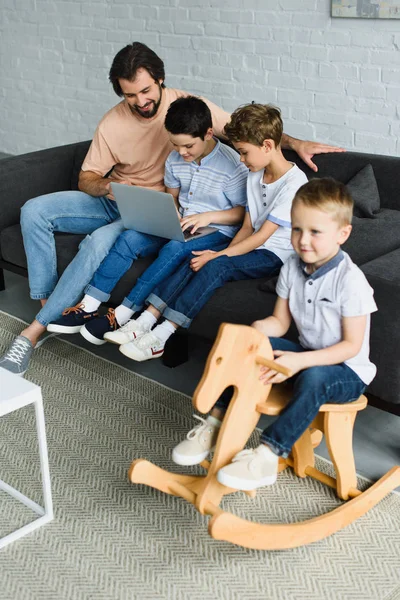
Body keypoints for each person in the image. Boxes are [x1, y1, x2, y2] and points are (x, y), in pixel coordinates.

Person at [0, 41, 343, 376]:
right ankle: (50, 306)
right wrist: (109, 187)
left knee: (102, 242)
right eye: (129, 95)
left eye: (146, 91)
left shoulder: (194, 112)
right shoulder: (114, 124)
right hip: (124, 199)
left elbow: (250, 134)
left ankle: (45, 328)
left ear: (160, 80)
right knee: (33, 210)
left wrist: (295, 143)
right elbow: (88, 178)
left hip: (166, 213)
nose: (140, 101)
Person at [172, 178, 377, 492]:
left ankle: (269, 454)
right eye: (296, 229)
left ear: (342, 234)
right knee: (250, 349)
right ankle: (214, 426)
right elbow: (279, 323)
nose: (303, 240)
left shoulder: (350, 281)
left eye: (315, 232)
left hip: (346, 372)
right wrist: (255, 335)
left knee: (314, 379)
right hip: (304, 357)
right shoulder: (292, 267)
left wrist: (299, 361)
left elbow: (350, 347)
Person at [46, 96, 248, 345]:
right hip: (182, 224)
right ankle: (89, 304)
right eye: (175, 145)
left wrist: (208, 216)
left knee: (175, 248)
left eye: (188, 146)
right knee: (129, 238)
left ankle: (122, 314)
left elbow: (243, 213)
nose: (181, 152)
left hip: (217, 230)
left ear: (208, 133)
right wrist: (170, 213)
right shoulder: (175, 159)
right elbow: (172, 197)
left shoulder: (232, 165)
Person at [116, 103, 308, 362]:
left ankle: (162, 335)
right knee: (195, 255)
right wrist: (213, 253)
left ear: (267, 146)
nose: (241, 159)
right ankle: (146, 319)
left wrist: (218, 257)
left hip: (276, 253)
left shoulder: (295, 184)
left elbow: (262, 237)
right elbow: (248, 227)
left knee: (214, 267)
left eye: (244, 152)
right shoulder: (255, 174)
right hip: (251, 242)